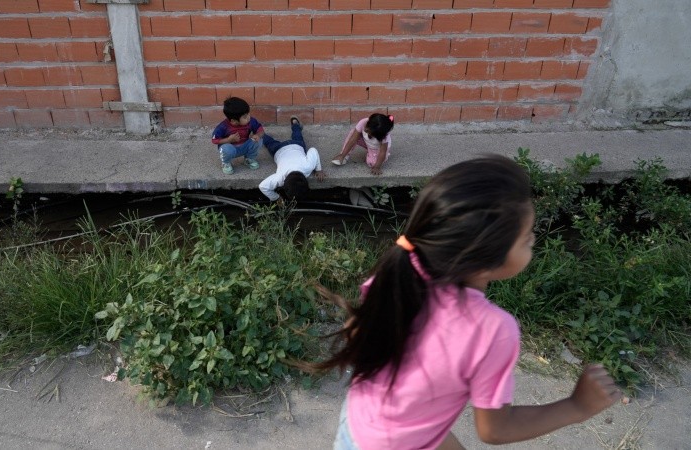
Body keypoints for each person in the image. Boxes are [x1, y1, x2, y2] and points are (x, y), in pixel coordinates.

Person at [311, 155, 621, 449]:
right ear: (484, 263)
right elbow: (495, 429)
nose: (534, 241)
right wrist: (577, 406)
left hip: (359, 425)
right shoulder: (492, 330)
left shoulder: (399, 271)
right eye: (526, 238)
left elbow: (354, 330)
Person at [259, 117, 324, 202]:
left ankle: (295, 123)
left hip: (296, 145)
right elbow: (262, 186)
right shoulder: (280, 177)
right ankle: (262, 135)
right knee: (269, 143)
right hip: (279, 149)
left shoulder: (308, 166)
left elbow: (313, 150)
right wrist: (276, 198)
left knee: (297, 135)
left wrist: (318, 169)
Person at [211, 97, 264, 175]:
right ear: (234, 121)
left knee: (258, 140)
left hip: (245, 146)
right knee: (225, 148)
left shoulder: (251, 121)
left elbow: (261, 130)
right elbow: (214, 140)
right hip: (231, 149)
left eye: (248, 114)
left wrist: (258, 135)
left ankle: (249, 159)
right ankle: (226, 163)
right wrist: (228, 140)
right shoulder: (223, 126)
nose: (248, 117)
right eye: (245, 117)